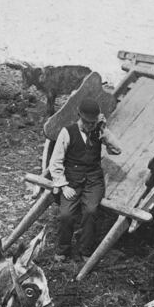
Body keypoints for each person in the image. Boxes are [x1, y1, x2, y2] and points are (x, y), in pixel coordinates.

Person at [48, 97, 122, 263]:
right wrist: (63, 185)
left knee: (90, 212)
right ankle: (63, 249)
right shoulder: (67, 132)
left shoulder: (98, 130)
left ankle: (85, 250)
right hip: (71, 180)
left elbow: (117, 150)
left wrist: (104, 131)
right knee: (66, 214)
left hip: (93, 180)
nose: (90, 126)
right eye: (87, 122)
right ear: (79, 117)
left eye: (93, 122)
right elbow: (56, 162)